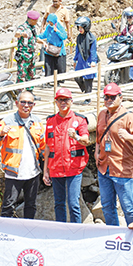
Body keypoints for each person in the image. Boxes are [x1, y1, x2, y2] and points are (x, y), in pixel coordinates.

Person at [95, 83, 133, 226]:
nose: (109, 100)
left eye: (112, 97)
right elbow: (98, 137)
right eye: (106, 97)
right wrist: (97, 153)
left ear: (120, 97)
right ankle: (113, 238)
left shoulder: (130, 117)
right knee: (107, 206)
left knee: (128, 207)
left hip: (122, 169)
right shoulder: (102, 114)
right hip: (104, 167)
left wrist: (129, 137)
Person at [0, 91, 45, 219]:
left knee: (31, 205)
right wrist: (1, 135)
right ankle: (6, 233)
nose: (26, 105)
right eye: (23, 102)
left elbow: (44, 147)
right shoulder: (7, 121)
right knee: (8, 206)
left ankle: (27, 232)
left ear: (34, 105)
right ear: (17, 103)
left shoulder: (37, 122)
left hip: (33, 172)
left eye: (29, 103)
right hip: (13, 173)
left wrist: (47, 169)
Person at [43, 88, 90, 223]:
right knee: (58, 203)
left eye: (66, 100)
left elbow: (86, 140)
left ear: (71, 101)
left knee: (73, 203)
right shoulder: (51, 121)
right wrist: (45, 170)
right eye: (60, 100)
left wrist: (76, 136)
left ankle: (77, 232)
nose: (63, 102)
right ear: (56, 102)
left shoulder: (79, 120)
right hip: (56, 169)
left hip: (74, 169)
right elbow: (47, 146)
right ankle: (61, 231)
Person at [15, 11, 43, 93]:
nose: (36, 22)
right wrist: (22, 34)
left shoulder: (33, 28)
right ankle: (19, 93)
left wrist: (43, 43)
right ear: (30, 19)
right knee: (21, 74)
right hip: (23, 55)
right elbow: (16, 34)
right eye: (35, 20)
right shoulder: (23, 27)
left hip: (31, 55)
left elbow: (35, 38)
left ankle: (30, 92)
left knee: (31, 74)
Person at [73, 16, 98, 104]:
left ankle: (88, 97)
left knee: (88, 80)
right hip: (80, 59)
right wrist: (75, 59)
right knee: (77, 77)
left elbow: (93, 50)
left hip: (89, 60)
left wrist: (93, 61)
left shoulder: (92, 38)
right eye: (78, 28)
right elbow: (77, 49)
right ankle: (85, 91)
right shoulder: (79, 37)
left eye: (81, 28)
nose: (80, 30)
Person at [39, 13, 68, 83]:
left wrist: (57, 31)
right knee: (48, 67)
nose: (50, 23)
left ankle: (60, 82)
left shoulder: (59, 26)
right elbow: (44, 35)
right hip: (50, 50)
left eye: (51, 22)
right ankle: (48, 81)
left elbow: (64, 36)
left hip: (59, 51)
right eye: (49, 22)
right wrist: (36, 37)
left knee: (60, 68)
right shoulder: (48, 27)